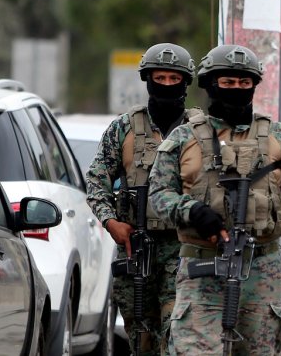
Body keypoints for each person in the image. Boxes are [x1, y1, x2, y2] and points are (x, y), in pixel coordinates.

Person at [148, 44, 281, 355]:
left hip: (261, 270)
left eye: (244, 83)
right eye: (228, 83)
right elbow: (159, 195)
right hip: (202, 266)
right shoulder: (182, 139)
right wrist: (192, 211)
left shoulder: (280, 139)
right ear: (210, 85)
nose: (236, 89)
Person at [84, 42, 197, 355]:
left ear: (185, 83)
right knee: (141, 338)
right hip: (136, 246)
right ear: (148, 80)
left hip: (185, 247)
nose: (166, 86)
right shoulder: (124, 128)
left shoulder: (200, 130)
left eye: (174, 79)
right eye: (159, 79)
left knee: (179, 335)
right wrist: (111, 223)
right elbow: (97, 179)